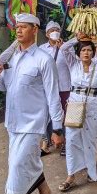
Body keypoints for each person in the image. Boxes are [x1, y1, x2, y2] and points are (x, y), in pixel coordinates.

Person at [0, 14, 65, 194]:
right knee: (26, 163)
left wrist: (57, 128)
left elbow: (53, 96)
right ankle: (45, 193)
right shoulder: (13, 59)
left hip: (32, 124)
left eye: (24, 26)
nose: (19, 29)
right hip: (13, 123)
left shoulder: (44, 60)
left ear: (34, 30)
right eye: (17, 27)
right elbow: (5, 87)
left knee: (17, 168)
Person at [58, 33, 97, 192]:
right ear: (79, 53)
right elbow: (63, 48)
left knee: (90, 138)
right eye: (83, 50)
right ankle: (71, 175)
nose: (86, 53)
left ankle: (91, 170)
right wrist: (77, 39)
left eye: (89, 50)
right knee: (72, 139)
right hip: (75, 104)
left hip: (94, 105)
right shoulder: (73, 64)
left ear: (93, 52)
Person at [38, 21, 72, 156]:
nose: (54, 32)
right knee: (46, 115)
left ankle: (64, 142)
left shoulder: (67, 48)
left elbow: (73, 64)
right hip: (46, 88)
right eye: (52, 30)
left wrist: (64, 48)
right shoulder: (41, 49)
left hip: (63, 86)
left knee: (64, 115)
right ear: (47, 34)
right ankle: (46, 143)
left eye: (57, 29)